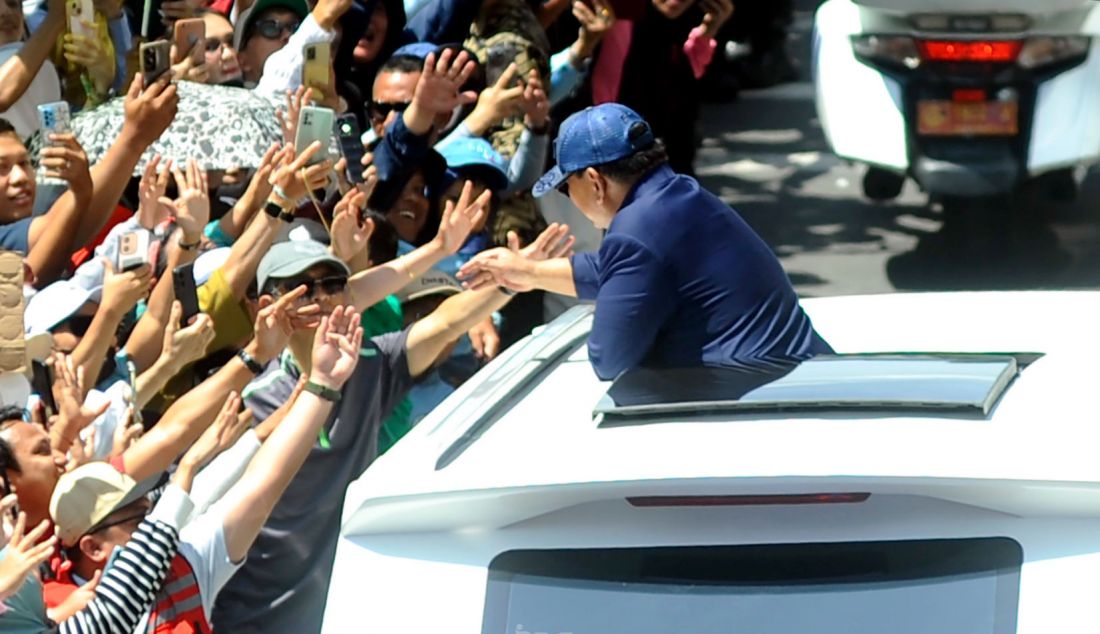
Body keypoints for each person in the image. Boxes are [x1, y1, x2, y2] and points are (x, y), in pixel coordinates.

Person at [459, 103, 832, 381]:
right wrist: (529, 271)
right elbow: (617, 271)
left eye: (565, 188)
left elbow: (608, 358)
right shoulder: (680, 193)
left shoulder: (635, 232)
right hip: (800, 374)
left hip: (765, 398)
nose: (568, 200)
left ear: (594, 181)